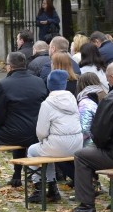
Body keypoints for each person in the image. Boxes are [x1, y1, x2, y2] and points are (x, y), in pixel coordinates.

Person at [0, 52, 47, 190]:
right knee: (16, 129)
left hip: (15, 133)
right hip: (36, 132)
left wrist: (2, 125)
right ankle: (16, 175)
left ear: (10, 67)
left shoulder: (3, 84)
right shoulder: (38, 81)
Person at [23, 69, 82, 203]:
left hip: (57, 144)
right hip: (77, 144)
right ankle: (52, 188)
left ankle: (39, 188)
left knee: (33, 151)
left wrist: (44, 140)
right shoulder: (72, 99)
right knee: (46, 151)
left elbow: (41, 132)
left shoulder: (47, 103)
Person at [72, 61, 113, 212]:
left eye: (108, 79)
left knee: (81, 156)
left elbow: (99, 133)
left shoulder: (112, 98)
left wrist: (103, 145)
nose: (107, 82)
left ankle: (86, 204)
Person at [75, 72, 106, 148]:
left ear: (81, 85)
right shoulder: (106, 96)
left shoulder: (85, 103)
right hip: (105, 144)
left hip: (90, 145)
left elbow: (84, 129)